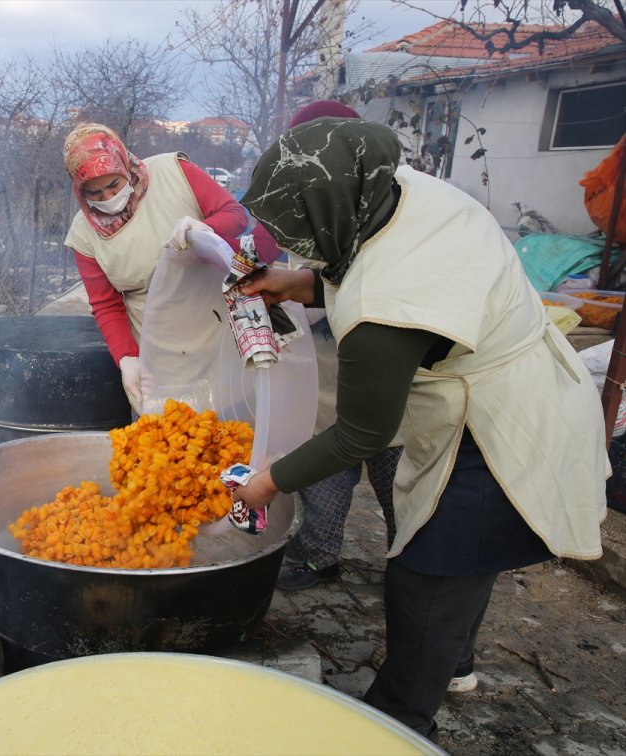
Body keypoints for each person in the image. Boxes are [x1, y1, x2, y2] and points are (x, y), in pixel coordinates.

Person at [229, 116, 609, 741]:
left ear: (332, 207)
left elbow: (360, 438)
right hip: (528, 385)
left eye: (301, 231)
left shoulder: (384, 311)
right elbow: (370, 253)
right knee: (470, 557)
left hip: (498, 426)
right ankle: (452, 663)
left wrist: (268, 483)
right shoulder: (401, 191)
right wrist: (298, 283)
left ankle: (399, 721)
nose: (297, 243)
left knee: (430, 571)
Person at [270, 100, 402, 592]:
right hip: (326, 386)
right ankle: (318, 556)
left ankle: (410, 568)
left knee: (401, 490)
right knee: (324, 483)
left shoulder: (389, 213)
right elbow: (276, 274)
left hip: (394, 392)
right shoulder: (300, 209)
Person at [62, 122, 279, 412]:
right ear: (80, 191)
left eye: (114, 184)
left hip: (218, 330)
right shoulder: (83, 234)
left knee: (231, 428)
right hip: (159, 351)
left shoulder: (174, 172)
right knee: (166, 437)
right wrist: (127, 358)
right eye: (95, 193)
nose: (108, 198)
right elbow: (106, 305)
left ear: (125, 165)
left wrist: (204, 228)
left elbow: (236, 216)